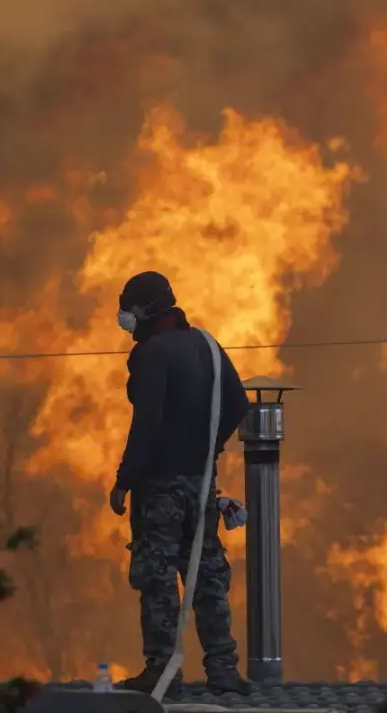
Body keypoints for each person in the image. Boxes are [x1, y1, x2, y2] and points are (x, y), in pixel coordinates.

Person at [109, 271, 252, 697]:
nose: (124, 316)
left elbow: (147, 422)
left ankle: (162, 672)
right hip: (201, 481)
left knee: (157, 577)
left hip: (159, 486)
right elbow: (238, 403)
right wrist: (210, 448)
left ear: (147, 309)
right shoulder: (207, 345)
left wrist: (124, 481)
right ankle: (223, 669)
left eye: (128, 307)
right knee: (206, 571)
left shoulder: (151, 353)